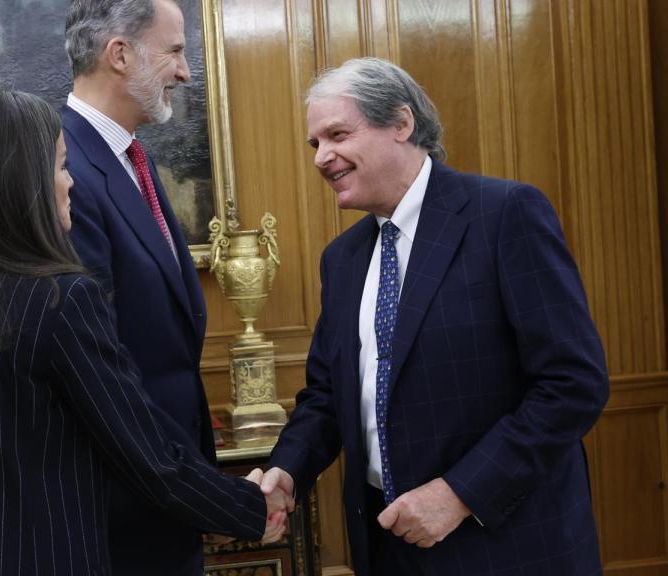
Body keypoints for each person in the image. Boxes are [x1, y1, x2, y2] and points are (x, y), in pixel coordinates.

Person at [0, 88, 288, 575]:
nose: (71, 183)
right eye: (61, 166)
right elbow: (144, 454)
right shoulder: (61, 301)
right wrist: (247, 508)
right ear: (20, 184)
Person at [258, 58, 610, 575]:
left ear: (401, 123)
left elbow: (573, 384)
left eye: (337, 135)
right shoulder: (343, 258)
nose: (321, 157)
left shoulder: (504, 214)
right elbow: (328, 395)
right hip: (389, 545)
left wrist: (458, 494)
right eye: (315, 143)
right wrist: (287, 470)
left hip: (505, 544)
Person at [62, 2, 222, 573]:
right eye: (174, 50)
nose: (185, 71)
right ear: (120, 54)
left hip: (161, 489)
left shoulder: (128, 155)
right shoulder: (67, 170)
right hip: (122, 503)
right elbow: (98, 362)